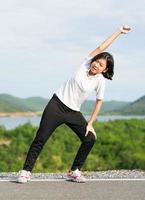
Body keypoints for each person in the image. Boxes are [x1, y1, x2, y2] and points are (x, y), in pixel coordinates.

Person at [17, 25, 132, 183]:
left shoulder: (100, 81)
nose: (96, 65)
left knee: (90, 138)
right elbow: (101, 47)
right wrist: (119, 32)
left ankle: (74, 171)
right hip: (56, 105)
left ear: (105, 70)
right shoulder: (84, 64)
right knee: (40, 138)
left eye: (100, 65)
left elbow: (99, 103)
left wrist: (90, 123)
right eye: (96, 61)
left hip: (73, 112)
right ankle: (25, 171)